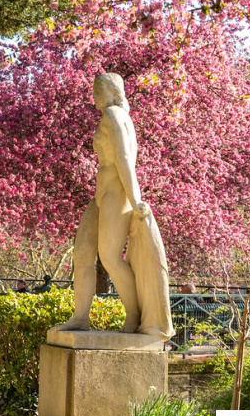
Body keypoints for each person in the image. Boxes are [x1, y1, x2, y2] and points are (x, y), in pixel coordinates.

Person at [53, 73, 173, 339]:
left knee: (108, 257)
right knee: (82, 254)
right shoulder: (114, 115)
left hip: (117, 195)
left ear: (112, 91)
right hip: (101, 195)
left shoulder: (113, 115)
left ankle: (134, 314)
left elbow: (124, 158)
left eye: (98, 90)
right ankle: (80, 318)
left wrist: (135, 198)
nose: (94, 96)